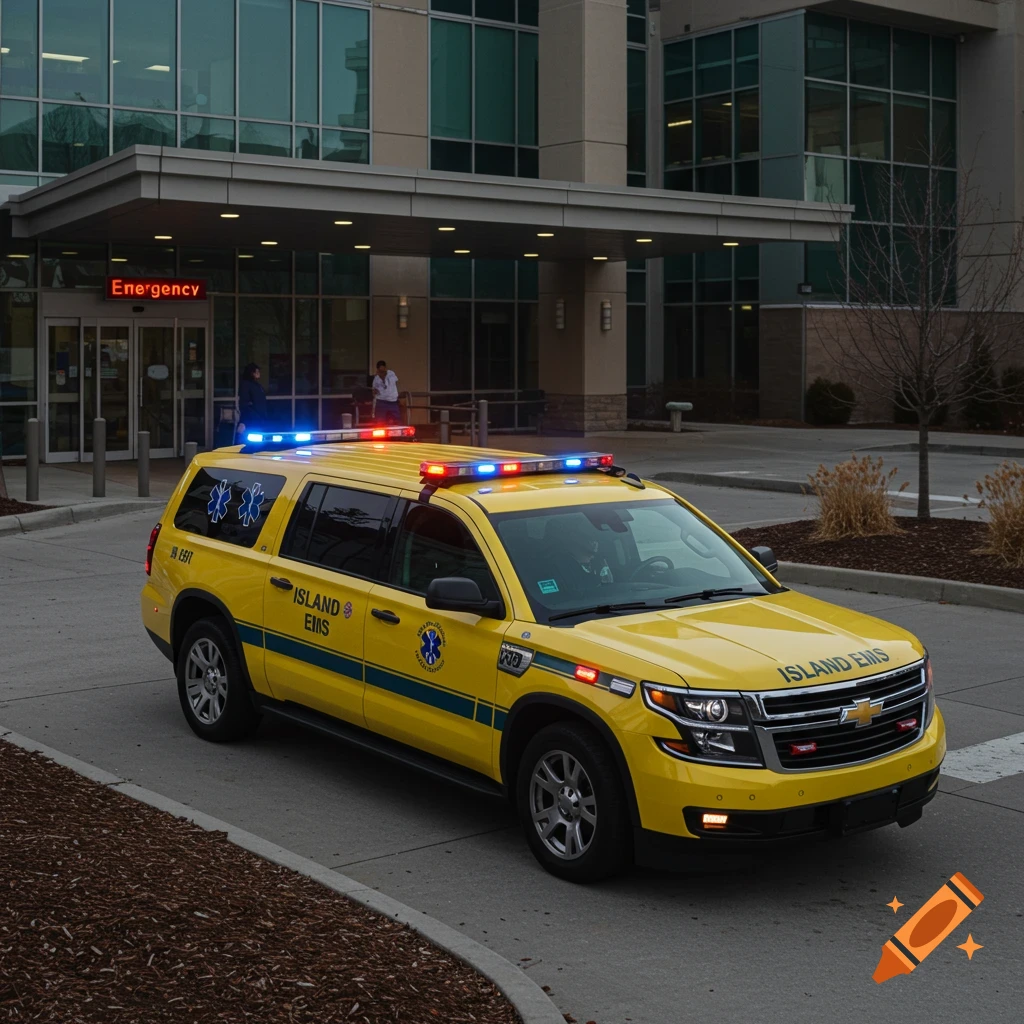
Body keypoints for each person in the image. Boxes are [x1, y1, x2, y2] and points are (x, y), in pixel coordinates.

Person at [238, 363, 268, 438]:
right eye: (256, 372)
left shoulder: (256, 385)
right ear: (251, 373)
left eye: (258, 372)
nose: (258, 374)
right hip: (253, 417)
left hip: (260, 415)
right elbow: (244, 403)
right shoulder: (246, 385)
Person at [372, 360, 402, 424]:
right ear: (377, 370)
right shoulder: (376, 378)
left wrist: (383, 376)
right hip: (381, 401)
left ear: (385, 368)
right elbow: (374, 389)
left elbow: (392, 382)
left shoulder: (391, 373)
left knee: (397, 420)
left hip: (392, 401)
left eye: (383, 370)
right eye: (380, 371)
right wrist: (374, 391)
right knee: (380, 421)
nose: (382, 372)